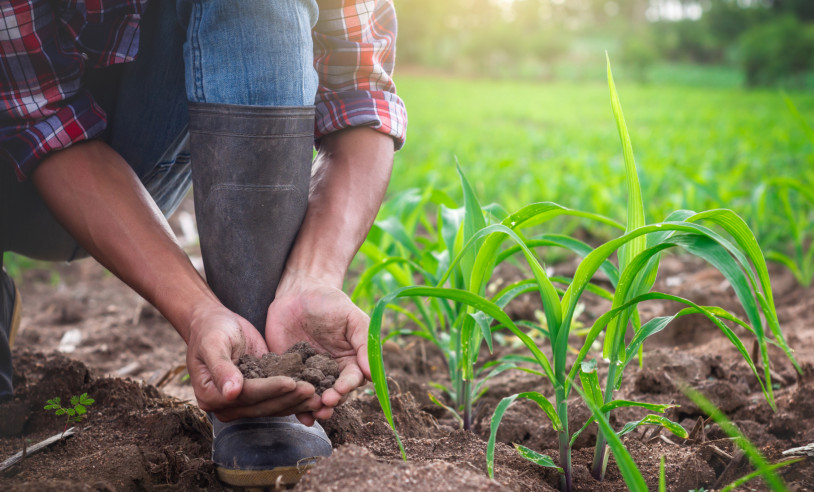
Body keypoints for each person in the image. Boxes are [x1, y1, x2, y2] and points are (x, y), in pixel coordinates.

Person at [0, 0, 406, 487]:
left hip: (126, 154)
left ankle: (255, 363)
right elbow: (40, 123)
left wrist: (311, 276)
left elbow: (361, 95)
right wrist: (193, 310)